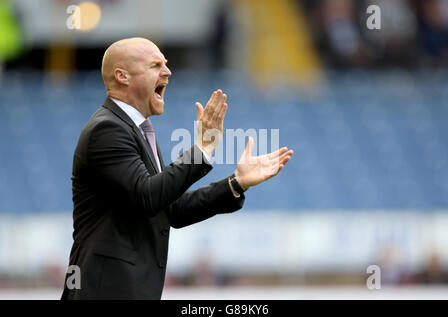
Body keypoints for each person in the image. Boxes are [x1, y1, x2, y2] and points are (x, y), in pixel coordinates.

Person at [61, 37, 293, 299]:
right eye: (155, 65)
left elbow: (169, 209)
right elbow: (147, 197)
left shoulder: (136, 130)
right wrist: (201, 150)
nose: (167, 71)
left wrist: (237, 183)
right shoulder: (107, 129)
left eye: (166, 64)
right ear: (122, 76)